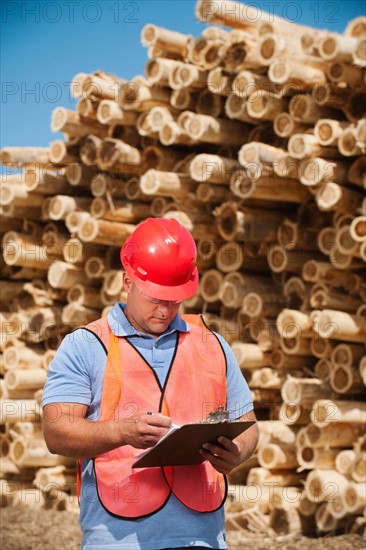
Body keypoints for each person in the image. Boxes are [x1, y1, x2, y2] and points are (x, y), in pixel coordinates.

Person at [42, 217, 259, 550]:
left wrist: (236, 453)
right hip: (116, 539)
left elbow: (248, 425)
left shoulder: (213, 345)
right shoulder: (84, 345)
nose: (165, 309)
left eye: (175, 299)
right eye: (155, 297)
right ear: (126, 282)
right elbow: (57, 433)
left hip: (203, 538)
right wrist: (123, 432)